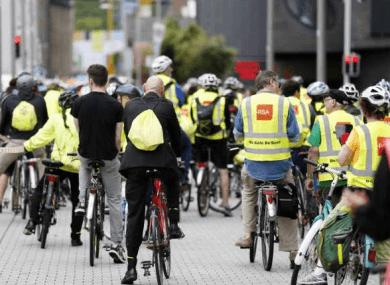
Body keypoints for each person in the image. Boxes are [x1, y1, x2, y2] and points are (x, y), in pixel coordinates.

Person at [120, 76, 184, 284]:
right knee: (173, 179)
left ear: (143, 89)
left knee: (135, 214)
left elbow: (129, 133)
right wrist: (177, 153)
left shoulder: (130, 106)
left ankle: (131, 267)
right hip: (162, 161)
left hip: (135, 164)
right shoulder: (166, 106)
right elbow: (176, 136)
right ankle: (173, 223)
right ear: (162, 91)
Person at [234, 70, 300, 268]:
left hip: (254, 165)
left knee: (248, 192)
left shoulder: (245, 103)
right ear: (271, 82)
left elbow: (237, 133)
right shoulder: (285, 103)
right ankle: (292, 251)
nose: (279, 87)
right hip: (280, 165)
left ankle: (248, 234)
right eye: (278, 83)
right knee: (288, 199)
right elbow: (295, 136)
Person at [71, 64, 125, 263]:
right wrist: (116, 151)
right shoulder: (115, 105)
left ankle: (83, 201)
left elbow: (79, 129)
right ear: (107, 80)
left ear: (90, 81)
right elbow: (118, 139)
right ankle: (117, 244)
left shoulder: (79, 102)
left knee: (83, 164)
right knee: (114, 200)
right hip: (108, 157)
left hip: (87, 153)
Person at [337, 85, 390, 285]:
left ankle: (318, 269)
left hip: (357, 195)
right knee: (386, 257)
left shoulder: (360, 131)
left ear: (364, 108)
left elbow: (342, 160)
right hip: (384, 199)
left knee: (328, 227)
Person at [22, 91, 84, 246]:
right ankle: (75, 236)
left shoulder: (56, 119)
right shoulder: (84, 119)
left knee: (38, 189)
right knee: (78, 199)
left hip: (58, 163)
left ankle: (33, 220)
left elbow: (42, 137)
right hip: (78, 165)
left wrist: (26, 146)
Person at [0, 75, 48, 213]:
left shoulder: (9, 100)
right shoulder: (40, 100)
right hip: (35, 144)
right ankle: (44, 199)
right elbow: (45, 122)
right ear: (33, 87)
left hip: (14, 144)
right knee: (42, 166)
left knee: (2, 168)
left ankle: (3, 201)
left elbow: (3, 124)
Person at [190, 73, 232, 216]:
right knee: (223, 170)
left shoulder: (194, 98)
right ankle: (225, 203)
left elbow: (191, 118)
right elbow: (227, 122)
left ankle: (202, 186)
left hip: (200, 137)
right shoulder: (222, 99)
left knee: (200, 163)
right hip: (218, 138)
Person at [281, 79, 312, 176]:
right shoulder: (303, 104)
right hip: (301, 146)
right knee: (303, 174)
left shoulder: (280, 104)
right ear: (296, 92)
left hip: (282, 146)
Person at [114, 84, 142, 151]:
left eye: (121, 98)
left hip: (130, 153)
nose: (118, 100)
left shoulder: (136, 117)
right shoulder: (119, 114)